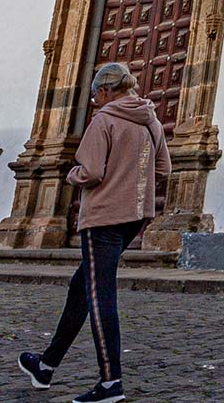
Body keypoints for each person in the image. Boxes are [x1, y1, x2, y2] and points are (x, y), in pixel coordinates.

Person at [17, 63, 171, 403]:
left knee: (101, 297)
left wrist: (72, 175)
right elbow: (163, 169)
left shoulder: (104, 120)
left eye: (94, 95)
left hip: (102, 218)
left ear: (104, 91)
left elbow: (91, 172)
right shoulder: (151, 120)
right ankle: (45, 365)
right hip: (133, 217)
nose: (93, 101)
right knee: (81, 288)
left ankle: (109, 383)